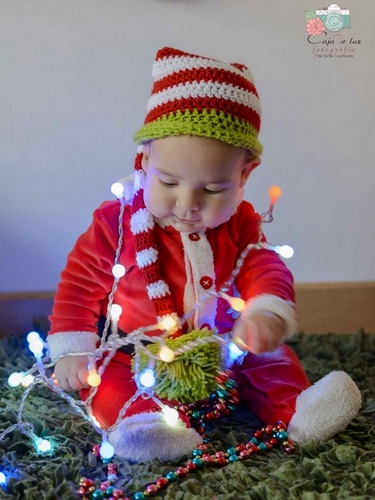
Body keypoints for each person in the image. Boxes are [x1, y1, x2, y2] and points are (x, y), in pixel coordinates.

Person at [48, 46, 361, 462]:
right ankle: (144, 424)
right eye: (169, 182)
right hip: (138, 350)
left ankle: (300, 411)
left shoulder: (240, 221)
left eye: (213, 189)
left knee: (270, 360)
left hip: (223, 344)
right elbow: (79, 283)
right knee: (105, 379)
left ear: (244, 174)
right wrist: (73, 348)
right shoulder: (117, 221)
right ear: (145, 159)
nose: (186, 203)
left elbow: (261, 263)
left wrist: (265, 310)